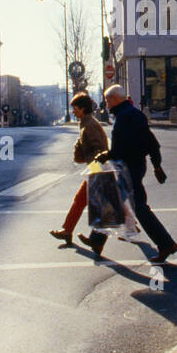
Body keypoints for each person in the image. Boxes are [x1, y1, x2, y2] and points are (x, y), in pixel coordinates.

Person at [81, 85, 177, 262]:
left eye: (108, 100)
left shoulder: (123, 118)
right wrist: (157, 166)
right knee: (118, 202)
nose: (106, 103)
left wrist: (103, 156)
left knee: (134, 207)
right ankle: (97, 240)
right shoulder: (135, 114)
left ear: (116, 100)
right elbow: (152, 143)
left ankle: (166, 244)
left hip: (128, 167)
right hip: (136, 166)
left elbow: (119, 150)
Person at [50, 92, 109, 244]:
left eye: (75, 108)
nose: (73, 112)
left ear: (83, 109)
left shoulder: (89, 125)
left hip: (98, 169)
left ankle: (70, 232)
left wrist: (94, 166)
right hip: (96, 168)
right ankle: (68, 231)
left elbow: (100, 148)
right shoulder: (86, 122)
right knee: (83, 200)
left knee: (100, 203)